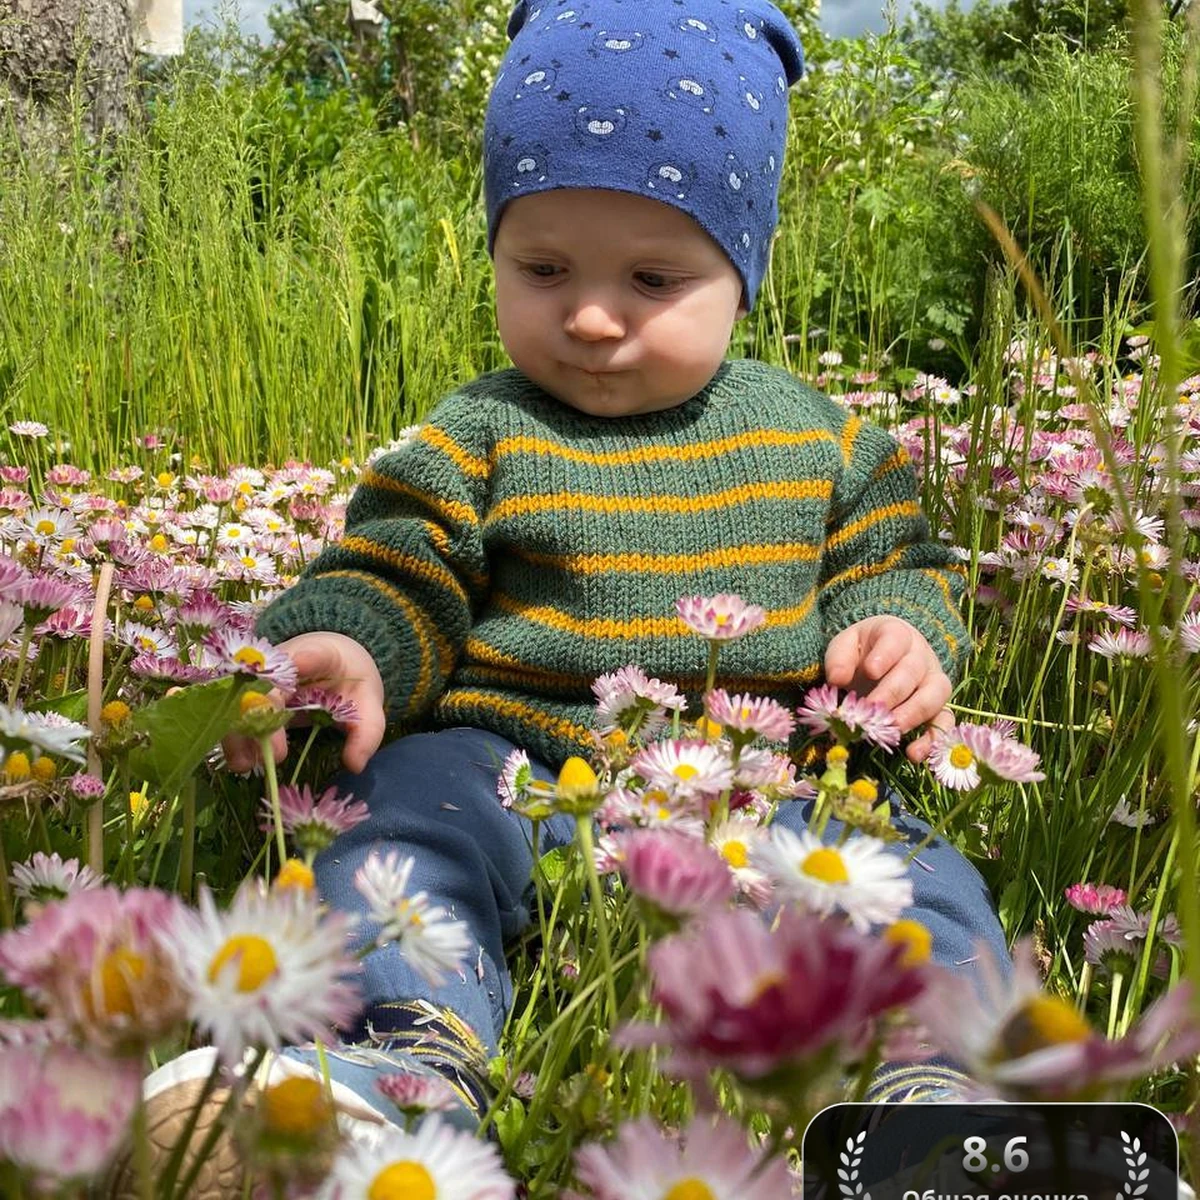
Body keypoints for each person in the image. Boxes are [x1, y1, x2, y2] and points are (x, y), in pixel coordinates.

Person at [143, 0, 1011, 1187]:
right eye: (543, 268)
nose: (592, 317)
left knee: (912, 879)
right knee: (392, 825)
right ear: (496, 252)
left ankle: (944, 1103)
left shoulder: (822, 439)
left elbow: (898, 560)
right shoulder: (482, 430)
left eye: (653, 278)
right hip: (509, 769)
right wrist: (347, 645)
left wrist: (899, 633)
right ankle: (383, 1069)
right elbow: (399, 564)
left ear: (742, 273)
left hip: (764, 785)